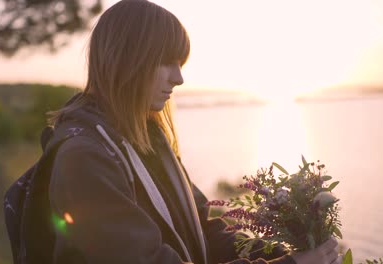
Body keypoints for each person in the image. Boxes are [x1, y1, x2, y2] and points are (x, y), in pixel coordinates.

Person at [46, 0, 342, 263]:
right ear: (126, 59)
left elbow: (205, 230)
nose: (179, 78)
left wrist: (283, 254)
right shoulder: (84, 158)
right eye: (166, 62)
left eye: (180, 63)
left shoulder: (149, 141)